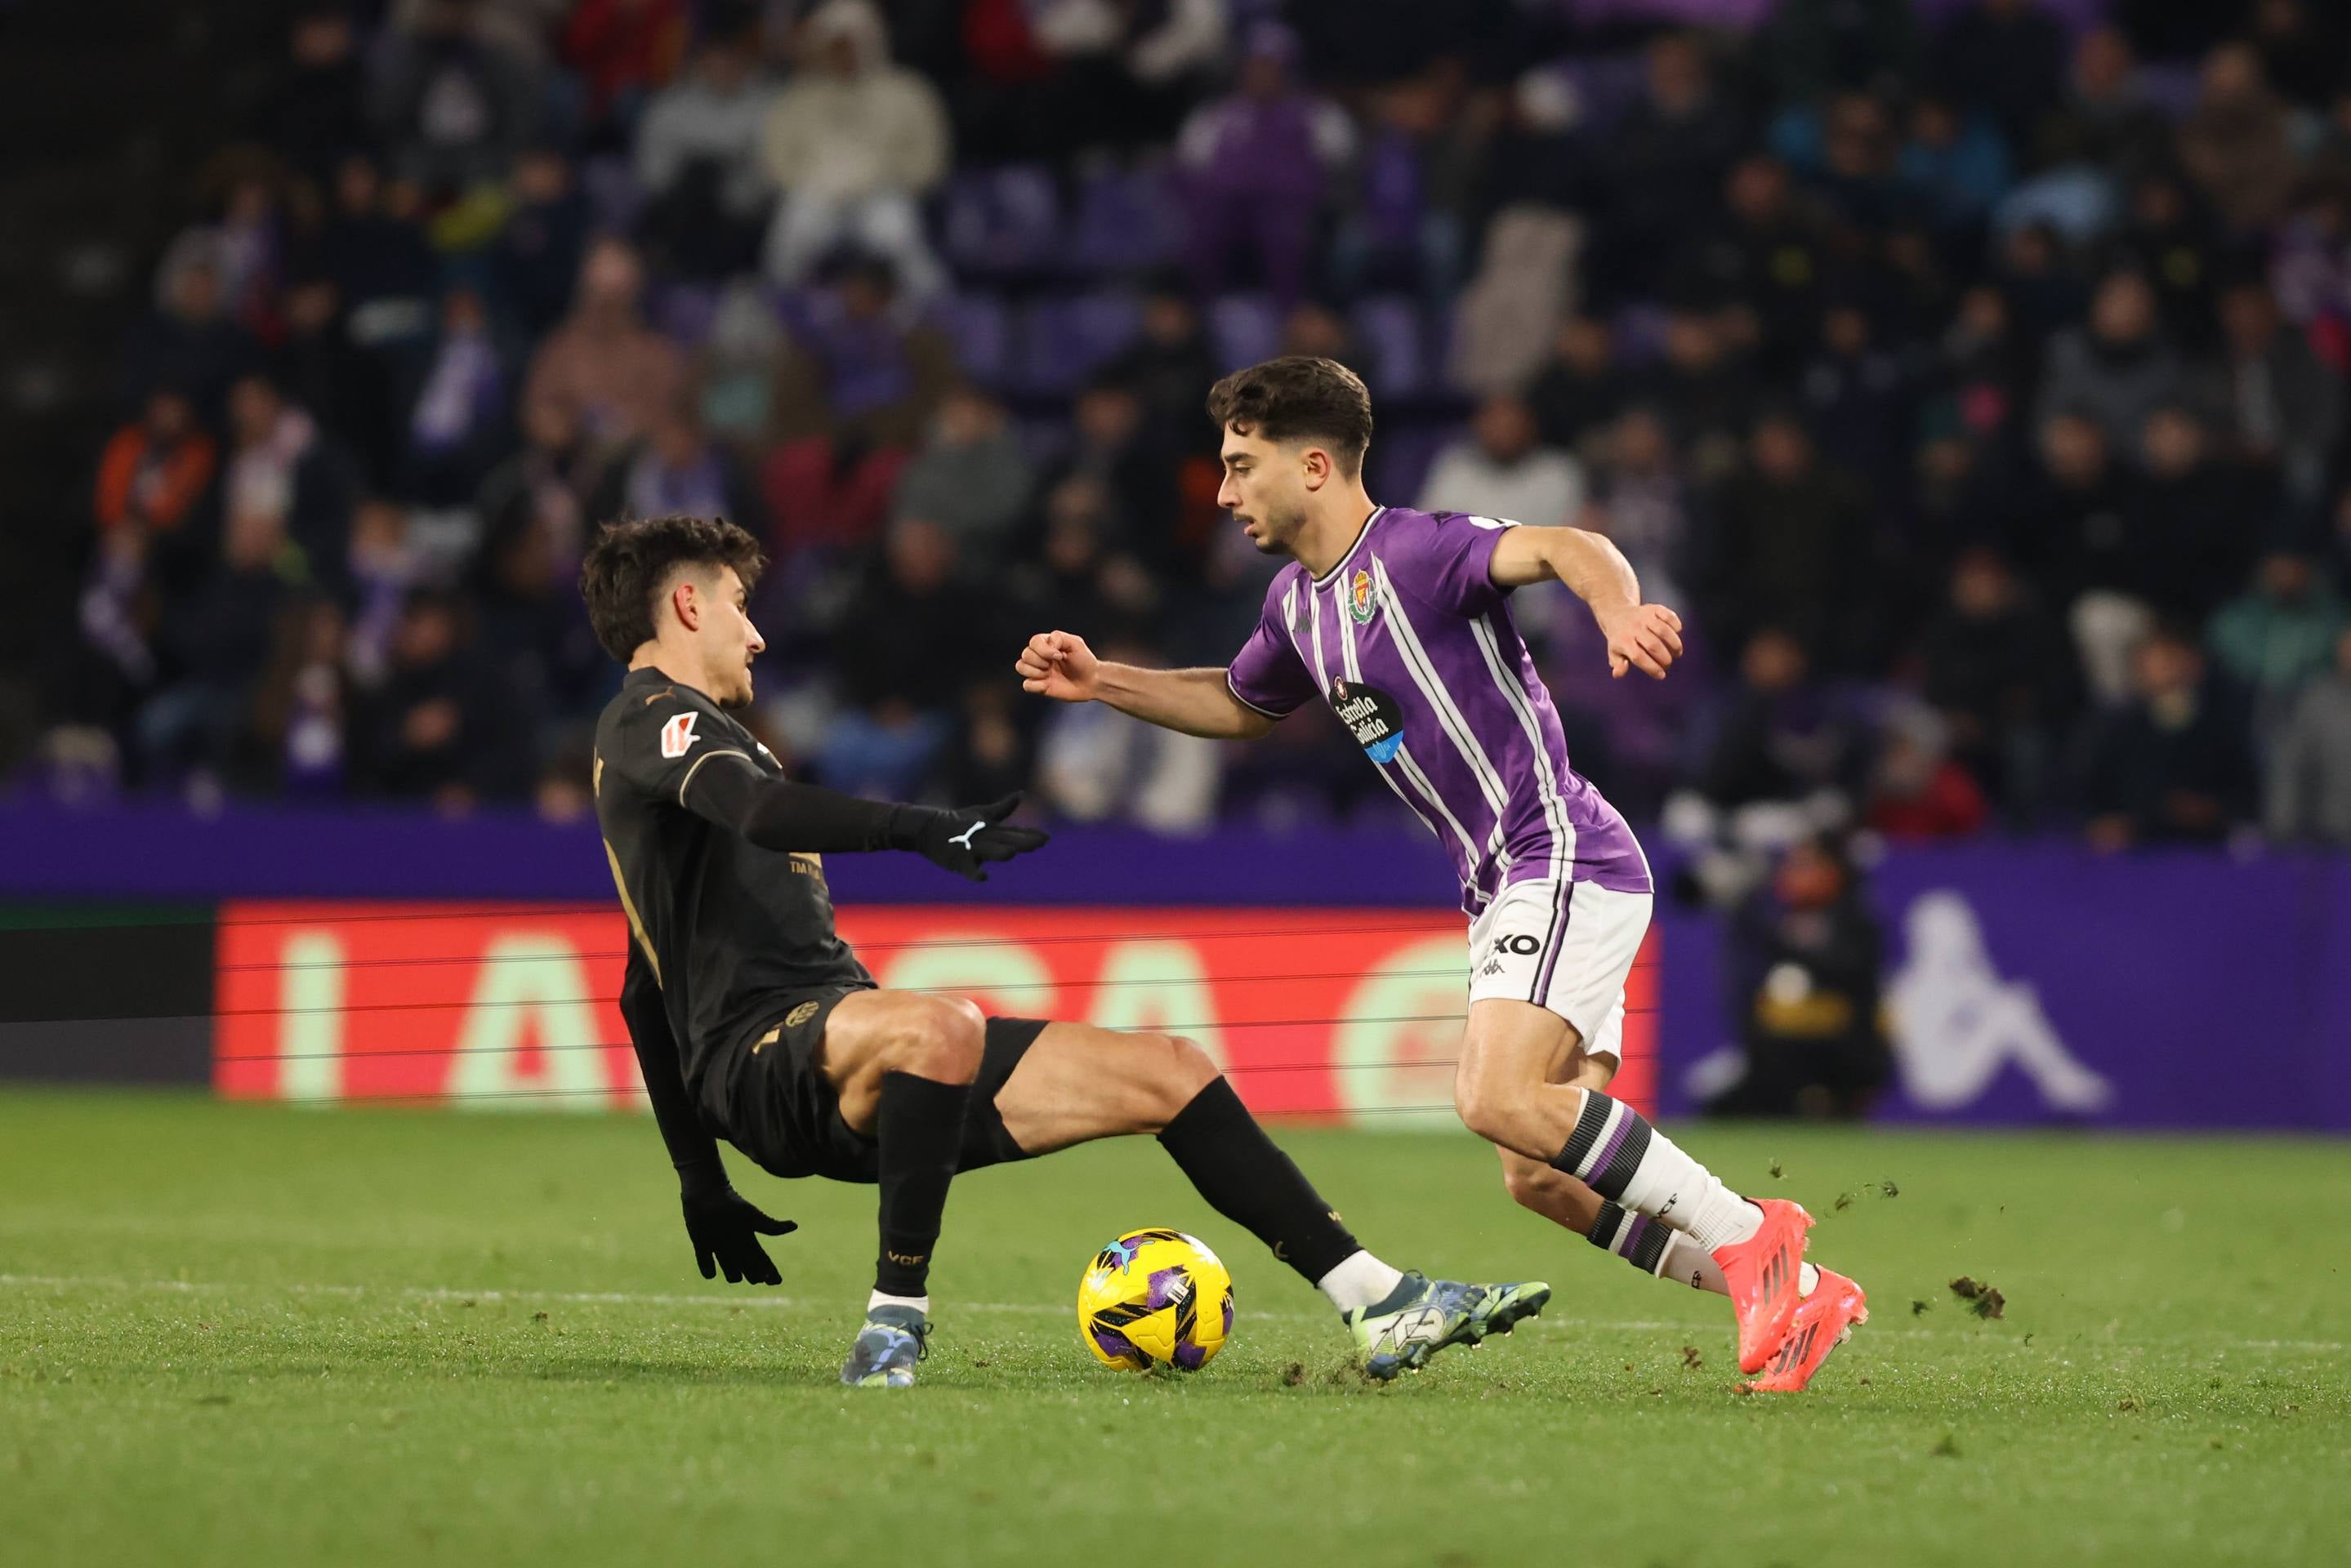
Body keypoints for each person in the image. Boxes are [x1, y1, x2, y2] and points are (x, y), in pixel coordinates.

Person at [1018, 357, 1868, 1392]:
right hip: (1502, 882)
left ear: (1316, 466)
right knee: (1538, 1175)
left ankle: (1753, 1237)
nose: (1226, 492)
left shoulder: (1416, 553)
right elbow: (1243, 705)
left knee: (1494, 1097)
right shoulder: (1297, 605)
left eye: (1243, 467)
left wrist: (1612, 611)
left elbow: (1569, 545)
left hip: (1557, 853)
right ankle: (1799, 1290)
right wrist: (1104, 680)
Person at [582, 513, 1548, 1388]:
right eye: (740, 606)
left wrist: (699, 1181)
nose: (755, 633)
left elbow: (639, 987)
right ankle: (893, 1326)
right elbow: (756, 816)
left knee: (1169, 1071)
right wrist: (918, 826)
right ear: (684, 602)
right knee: (939, 1025)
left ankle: (1377, 1299)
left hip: (840, 1050)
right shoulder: (648, 722)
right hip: (764, 1057)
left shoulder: (707, 744)